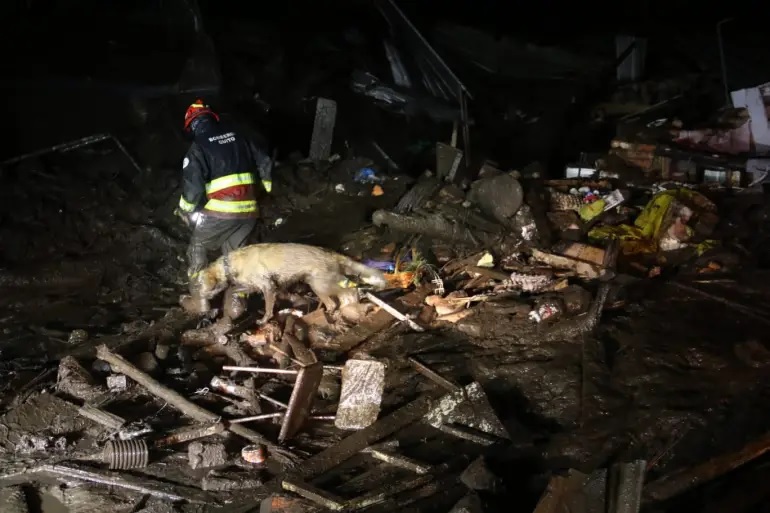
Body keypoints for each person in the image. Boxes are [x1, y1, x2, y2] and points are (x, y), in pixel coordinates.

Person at [175, 99, 272, 316]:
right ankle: (237, 304)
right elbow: (264, 161)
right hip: (249, 209)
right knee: (235, 256)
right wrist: (264, 189)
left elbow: (193, 185)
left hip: (222, 209)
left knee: (198, 246)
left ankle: (200, 300)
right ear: (212, 118)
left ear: (192, 125)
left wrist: (185, 208)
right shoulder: (239, 136)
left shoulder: (198, 147)